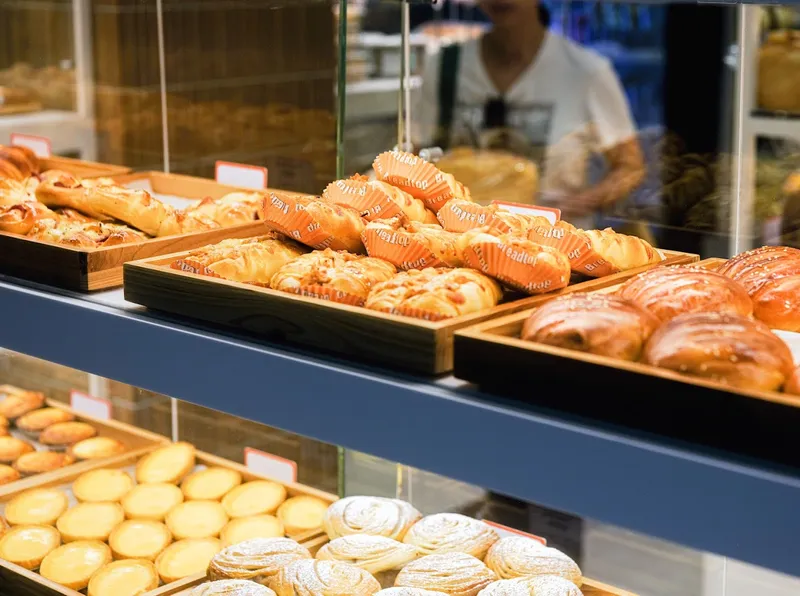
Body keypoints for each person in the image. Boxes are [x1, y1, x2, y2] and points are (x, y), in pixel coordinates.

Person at [414, 0, 646, 229]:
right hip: (462, 240)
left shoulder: (586, 72)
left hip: (556, 244)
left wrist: (581, 203)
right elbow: (416, 154)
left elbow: (629, 166)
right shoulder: (445, 66)